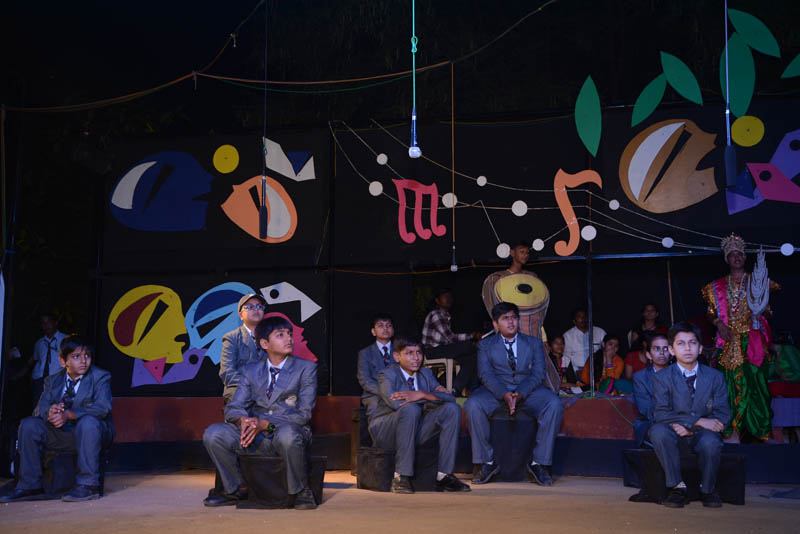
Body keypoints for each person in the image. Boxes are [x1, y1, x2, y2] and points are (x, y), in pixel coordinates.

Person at [203, 316, 318, 509]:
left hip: (284, 431)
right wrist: (243, 420)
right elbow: (234, 407)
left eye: (289, 334)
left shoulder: (306, 369)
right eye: (280, 335)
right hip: (255, 434)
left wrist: (266, 424)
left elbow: (303, 414)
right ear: (264, 343)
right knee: (214, 434)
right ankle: (235, 489)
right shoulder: (251, 371)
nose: (289, 339)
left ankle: (300, 492)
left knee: (288, 435)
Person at [1, 335, 114, 503]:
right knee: (29, 425)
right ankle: (30, 486)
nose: (83, 361)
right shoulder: (52, 380)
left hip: (93, 434)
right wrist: (51, 412)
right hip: (65, 435)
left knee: (88, 422)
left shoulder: (100, 377)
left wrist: (69, 414)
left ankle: (88, 485)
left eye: (87, 356)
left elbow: (103, 407)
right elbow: (39, 409)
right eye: (76, 356)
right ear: (62, 361)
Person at [465, 302, 564, 486]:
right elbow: (485, 375)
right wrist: (504, 394)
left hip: (527, 389)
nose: (510, 322)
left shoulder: (533, 343)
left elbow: (538, 374)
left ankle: (540, 464)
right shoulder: (486, 345)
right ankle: (486, 462)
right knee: (473, 404)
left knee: (554, 404)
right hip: (496, 390)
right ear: (495, 324)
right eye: (505, 318)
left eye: (513, 318)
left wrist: (520, 393)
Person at [701, 233, 779, 441]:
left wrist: (761, 314)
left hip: (753, 341)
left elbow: (769, 312)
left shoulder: (758, 281)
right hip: (728, 341)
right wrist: (718, 323)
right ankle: (732, 431)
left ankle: (760, 430)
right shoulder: (716, 286)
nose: (736, 257)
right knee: (728, 386)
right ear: (727, 259)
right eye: (732, 254)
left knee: (757, 384)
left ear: (745, 258)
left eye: (739, 254)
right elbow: (710, 313)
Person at [369, 337, 470, 494]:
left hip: (414, 428)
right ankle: (401, 477)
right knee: (410, 409)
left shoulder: (426, 374)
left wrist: (422, 394)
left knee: (452, 409)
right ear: (397, 356)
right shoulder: (387, 375)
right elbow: (397, 404)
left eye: (418, 353)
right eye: (409, 353)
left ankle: (444, 476)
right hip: (386, 431)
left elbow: (449, 398)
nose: (416, 358)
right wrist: (431, 398)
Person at [648, 321, 731, 508]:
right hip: (674, 431)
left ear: (700, 348)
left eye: (692, 343)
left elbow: (723, 414)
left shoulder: (715, 377)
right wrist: (698, 421)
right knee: (658, 431)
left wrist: (693, 428)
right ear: (671, 350)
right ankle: (677, 487)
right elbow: (660, 413)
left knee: (711, 441)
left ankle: (707, 490)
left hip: (703, 433)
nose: (687, 348)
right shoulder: (661, 377)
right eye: (681, 344)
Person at [481, 241, 561, 392]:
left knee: (537, 369)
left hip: (532, 333)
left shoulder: (532, 278)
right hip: (512, 334)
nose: (525, 255)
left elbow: (538, 314)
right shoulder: (498, 279)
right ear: (512, 253)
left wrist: (543, 338)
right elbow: (496, 310)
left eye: (527, 252)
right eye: (522, 251)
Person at [421, 288, 479, 395]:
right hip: (431, 351)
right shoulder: (436, 314)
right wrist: (472, 336)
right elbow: (450, 338)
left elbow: (448, 342)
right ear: (437, 301)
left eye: (450, 297)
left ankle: (456, 389)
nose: (449, 299)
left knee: (471, 358)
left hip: (442, 350)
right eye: (445, 296)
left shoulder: (446, 316)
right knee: (468, 346)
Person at [219, 293, 267, 403]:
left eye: (259, 306)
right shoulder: (231, 338)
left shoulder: (272, 336)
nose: (256, 309)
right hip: (240, 388)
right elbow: (227, 373)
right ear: (241, 315)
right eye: (250, 307)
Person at [632, 333, 672, 447]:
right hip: (650, 423)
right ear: (649, 355)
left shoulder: (680, 374)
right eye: (656, 349)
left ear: (672, 352)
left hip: (679, 422)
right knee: (662, 432)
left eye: (665, 349)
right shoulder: (640, 377)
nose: (662, 353)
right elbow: (646, 410)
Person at [357, 314, 395, 419]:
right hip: (374, 394)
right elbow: (364, 380)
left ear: (393, 330)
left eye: (388, 325)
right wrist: (385, 392)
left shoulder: (400, 351)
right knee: (375, 407)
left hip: (397, 392)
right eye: (381, 326)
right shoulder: (365, 353)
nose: (385, 328)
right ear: (373, 331)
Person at [30, 313, 67, 405]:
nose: (46, 325)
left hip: (57, 380)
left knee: (56, 407)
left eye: (49, 322)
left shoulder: (65, 340)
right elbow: (36, 360)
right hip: (39, 380)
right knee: (38, 407)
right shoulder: (39, 343)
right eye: (43, 323)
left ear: (55, 323)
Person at [563, 308, 606, 373]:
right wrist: (576, 371)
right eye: (579, 317)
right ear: (574, 321)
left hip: (598, 369)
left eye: (584, 316)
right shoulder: (568, 335)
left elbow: (608, 351)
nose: (583, 319)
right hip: (578, 370)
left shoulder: (600, 332)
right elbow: (566, 356)